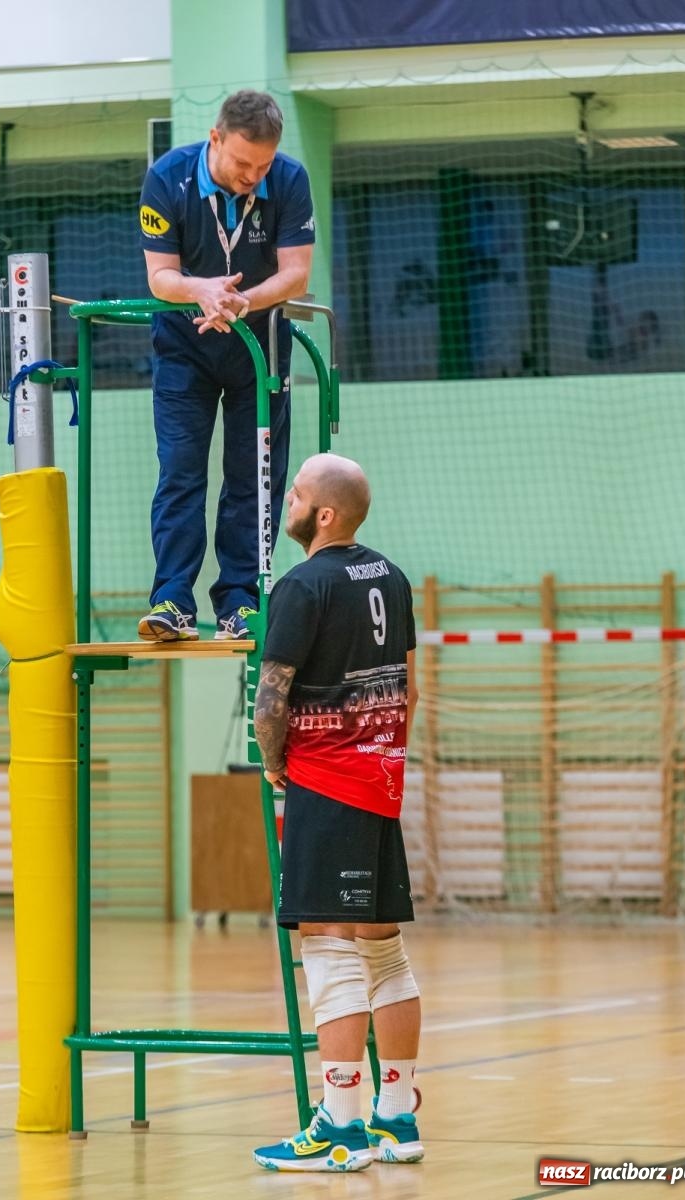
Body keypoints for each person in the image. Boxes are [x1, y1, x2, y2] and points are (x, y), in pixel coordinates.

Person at [252, 453, 423, 1173]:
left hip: (327, 783)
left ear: (323, 513)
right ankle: (396, 1115)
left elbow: (272, 697)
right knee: (382, 946)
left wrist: (271, 759)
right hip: (381, 781)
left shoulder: (301, 586)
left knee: (325, 944)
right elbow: (411, 687)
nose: (286, 503)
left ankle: (340, 1126)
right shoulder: (392, 575)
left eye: (294, 494)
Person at [136, 90, 315, 642]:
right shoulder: (168, 177)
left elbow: (296, 275)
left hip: (259, 343)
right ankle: (172, 602)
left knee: (254, 477)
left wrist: (241, 302)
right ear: (215, 139)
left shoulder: (288, 178)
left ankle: (241, 601)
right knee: (181, 470)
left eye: (262, 165)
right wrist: (202, 290)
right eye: (242, 163)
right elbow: (160, 276)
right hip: (184, 346)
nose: (253, 176)